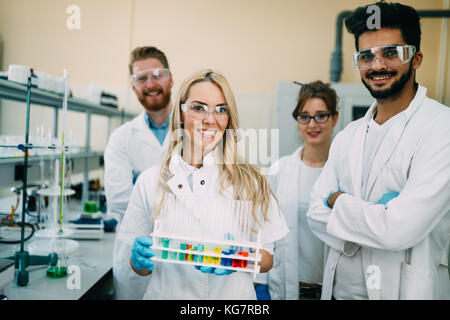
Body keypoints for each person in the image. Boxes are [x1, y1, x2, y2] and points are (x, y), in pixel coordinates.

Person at [306, 1, 450, 300]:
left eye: (391, 53)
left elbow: (396, 230)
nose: (378, 65)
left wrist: (338, 200)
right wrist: (377, 215)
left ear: (417, 58)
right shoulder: (348, 136)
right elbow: (314, 213)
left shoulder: (441, 129)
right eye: (367, 56)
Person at [116, 69, 289, 299]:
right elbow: (137, 268)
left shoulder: (252, 181)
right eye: (198, 108)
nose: (210, 119)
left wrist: (241, 257)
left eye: (221, 109)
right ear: (180, 113)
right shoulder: (150, 181)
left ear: (228, 119)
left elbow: (267, 258)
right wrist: (139, 259)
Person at [104, 46, 173, 299]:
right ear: (134, 87)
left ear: (170, 79)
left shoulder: (195, 131)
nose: (151, 84)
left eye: (158, 75)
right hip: (134, 254)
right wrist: (177, 200)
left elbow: (205, 194)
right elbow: (118, 198)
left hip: (182, 258)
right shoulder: (121, 138)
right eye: (142, 78)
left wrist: (141, 188)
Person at [265, 81, 339, 300]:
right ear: (298, 122)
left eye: (321, 115)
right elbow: (264, 230)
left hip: (335, 289)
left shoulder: (346, 172)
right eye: (304, 116)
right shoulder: (280, 170)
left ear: (334, 118)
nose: (312, 124)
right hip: (290, 287)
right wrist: (260, 285)